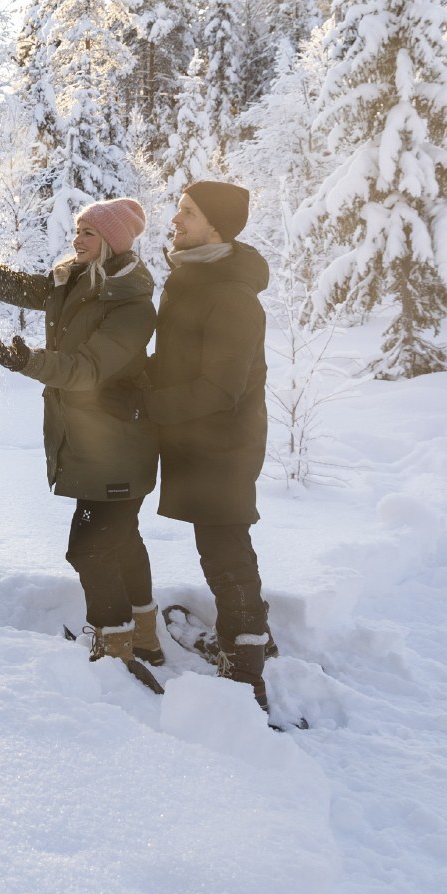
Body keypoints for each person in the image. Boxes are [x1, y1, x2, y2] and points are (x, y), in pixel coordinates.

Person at [0, 198, 164, 692]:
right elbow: (4, 282)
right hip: (95, 444)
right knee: (121, 540)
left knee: (90, 550)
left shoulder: (131, 304)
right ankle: (144, 637)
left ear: (113, 243)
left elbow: (89, 370)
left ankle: (114, 651)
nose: (77, 238)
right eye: (77, 229)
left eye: (89, 233)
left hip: (118, 447)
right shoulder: (70, 281)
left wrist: (28, 362)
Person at [148, 180, 274, 711]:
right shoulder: (195, 279)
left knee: (225, 550)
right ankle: (249, 640)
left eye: (188, 212)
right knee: (221, 545)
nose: (175, 220)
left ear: (216, 227)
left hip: (223, 443)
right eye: (179, 209)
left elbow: (218, 389)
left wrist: (145, 406)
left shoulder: (231, 296)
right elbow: (182, 363)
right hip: (201, 439)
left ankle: (247, 672)